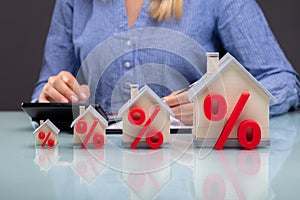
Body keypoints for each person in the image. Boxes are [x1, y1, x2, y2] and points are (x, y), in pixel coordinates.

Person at [32, 0, 300, 125]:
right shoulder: (74, 2)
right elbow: (46, 87)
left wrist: (213, 105)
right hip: (94, 170)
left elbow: (283, 81)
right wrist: (52, 97)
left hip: (192, 173)